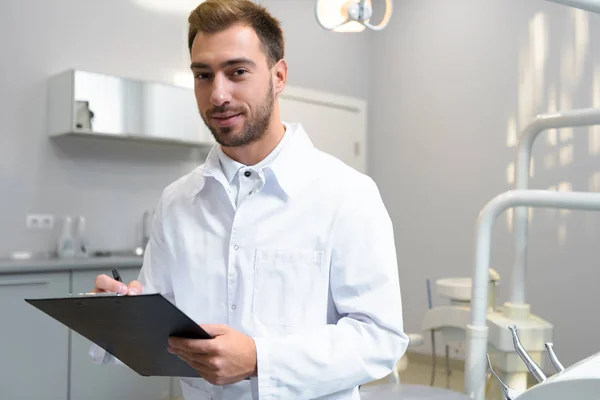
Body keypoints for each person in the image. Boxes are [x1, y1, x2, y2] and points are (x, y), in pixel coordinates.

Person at [91, 0, 409, 398]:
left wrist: (262, 358)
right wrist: (122, 313)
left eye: (237, 72)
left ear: (279, 76)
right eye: (203, 75)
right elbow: (166, 324)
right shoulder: (176, 202)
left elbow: (379, 339)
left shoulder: (347, 194)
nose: (218, 94)